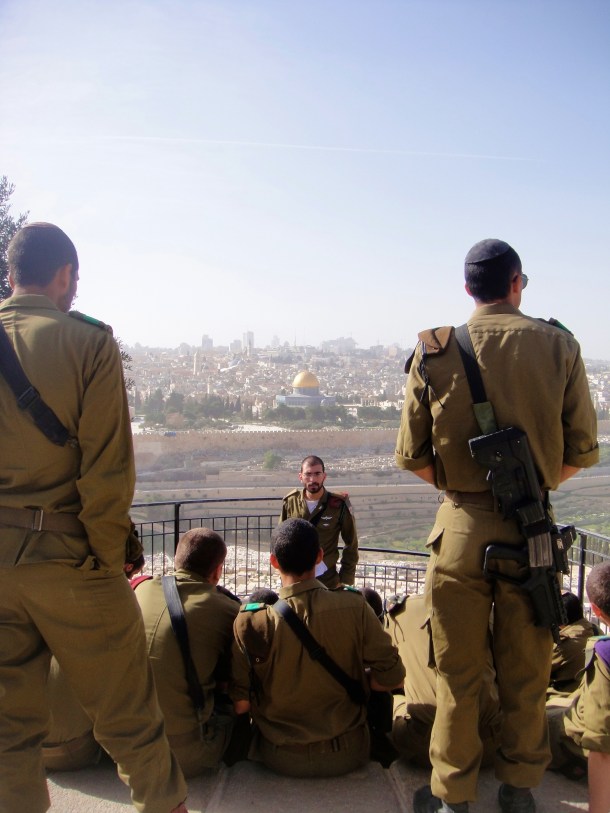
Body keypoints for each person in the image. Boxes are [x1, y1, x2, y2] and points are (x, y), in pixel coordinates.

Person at [394, 238, 598, 813]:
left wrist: (464, 492)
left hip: (459, 530)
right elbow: (582, 450)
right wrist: (534, 490)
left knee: (457, 675)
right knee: (527, 671)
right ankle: (519, 790)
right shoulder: (559, 344)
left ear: (467, 290)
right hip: (530, 531)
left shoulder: (435, 350)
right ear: (517, 284)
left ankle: (453, 796)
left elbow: (413, 456)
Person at [0, 223, 187, 813]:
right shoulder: (88, 342)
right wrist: (105, 566)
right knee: (131, 722)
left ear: (11, 275)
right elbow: (108, 475)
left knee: (7, 734)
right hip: (72, 561)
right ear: (65, 276)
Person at [231, 518, 405, 777]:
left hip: (279, 756)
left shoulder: (251, 621)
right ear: (319, 557)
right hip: (349, 752)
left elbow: (240, 706)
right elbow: (393, 676)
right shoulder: (355, 607)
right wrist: (362, 681)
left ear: (274, 561)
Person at [135, 528, 240, 778]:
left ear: (176, 560)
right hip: (183, 755)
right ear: (217, 571)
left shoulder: (141, 590)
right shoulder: (226, 608)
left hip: (126, 747)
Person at [386, 593, 501, 769]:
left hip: (426, 747)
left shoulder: (401, 612)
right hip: (486, 744)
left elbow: (387, 673)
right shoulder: (486, 613)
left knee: (396, 700)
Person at [548, 561, 610, 813]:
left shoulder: (604, 654)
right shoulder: (593, 636)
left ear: (595, 609)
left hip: (574, 733)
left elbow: (600, 742)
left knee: (539, 723)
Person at [280, 455, 358, 587]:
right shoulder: (291, 502)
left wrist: (345, 581)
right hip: (295, 580)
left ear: (324, 476)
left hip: (327, 580)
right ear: (300, 477)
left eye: (317, 474)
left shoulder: (338, 505)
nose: (313, 479)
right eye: (308, 474)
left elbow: (351, 544)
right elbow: (280, 540)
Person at [548, 591, 599, 699]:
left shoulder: (562, 644)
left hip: (562, 698)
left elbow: (538, 667)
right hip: (586, 694)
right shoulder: (595, 630)